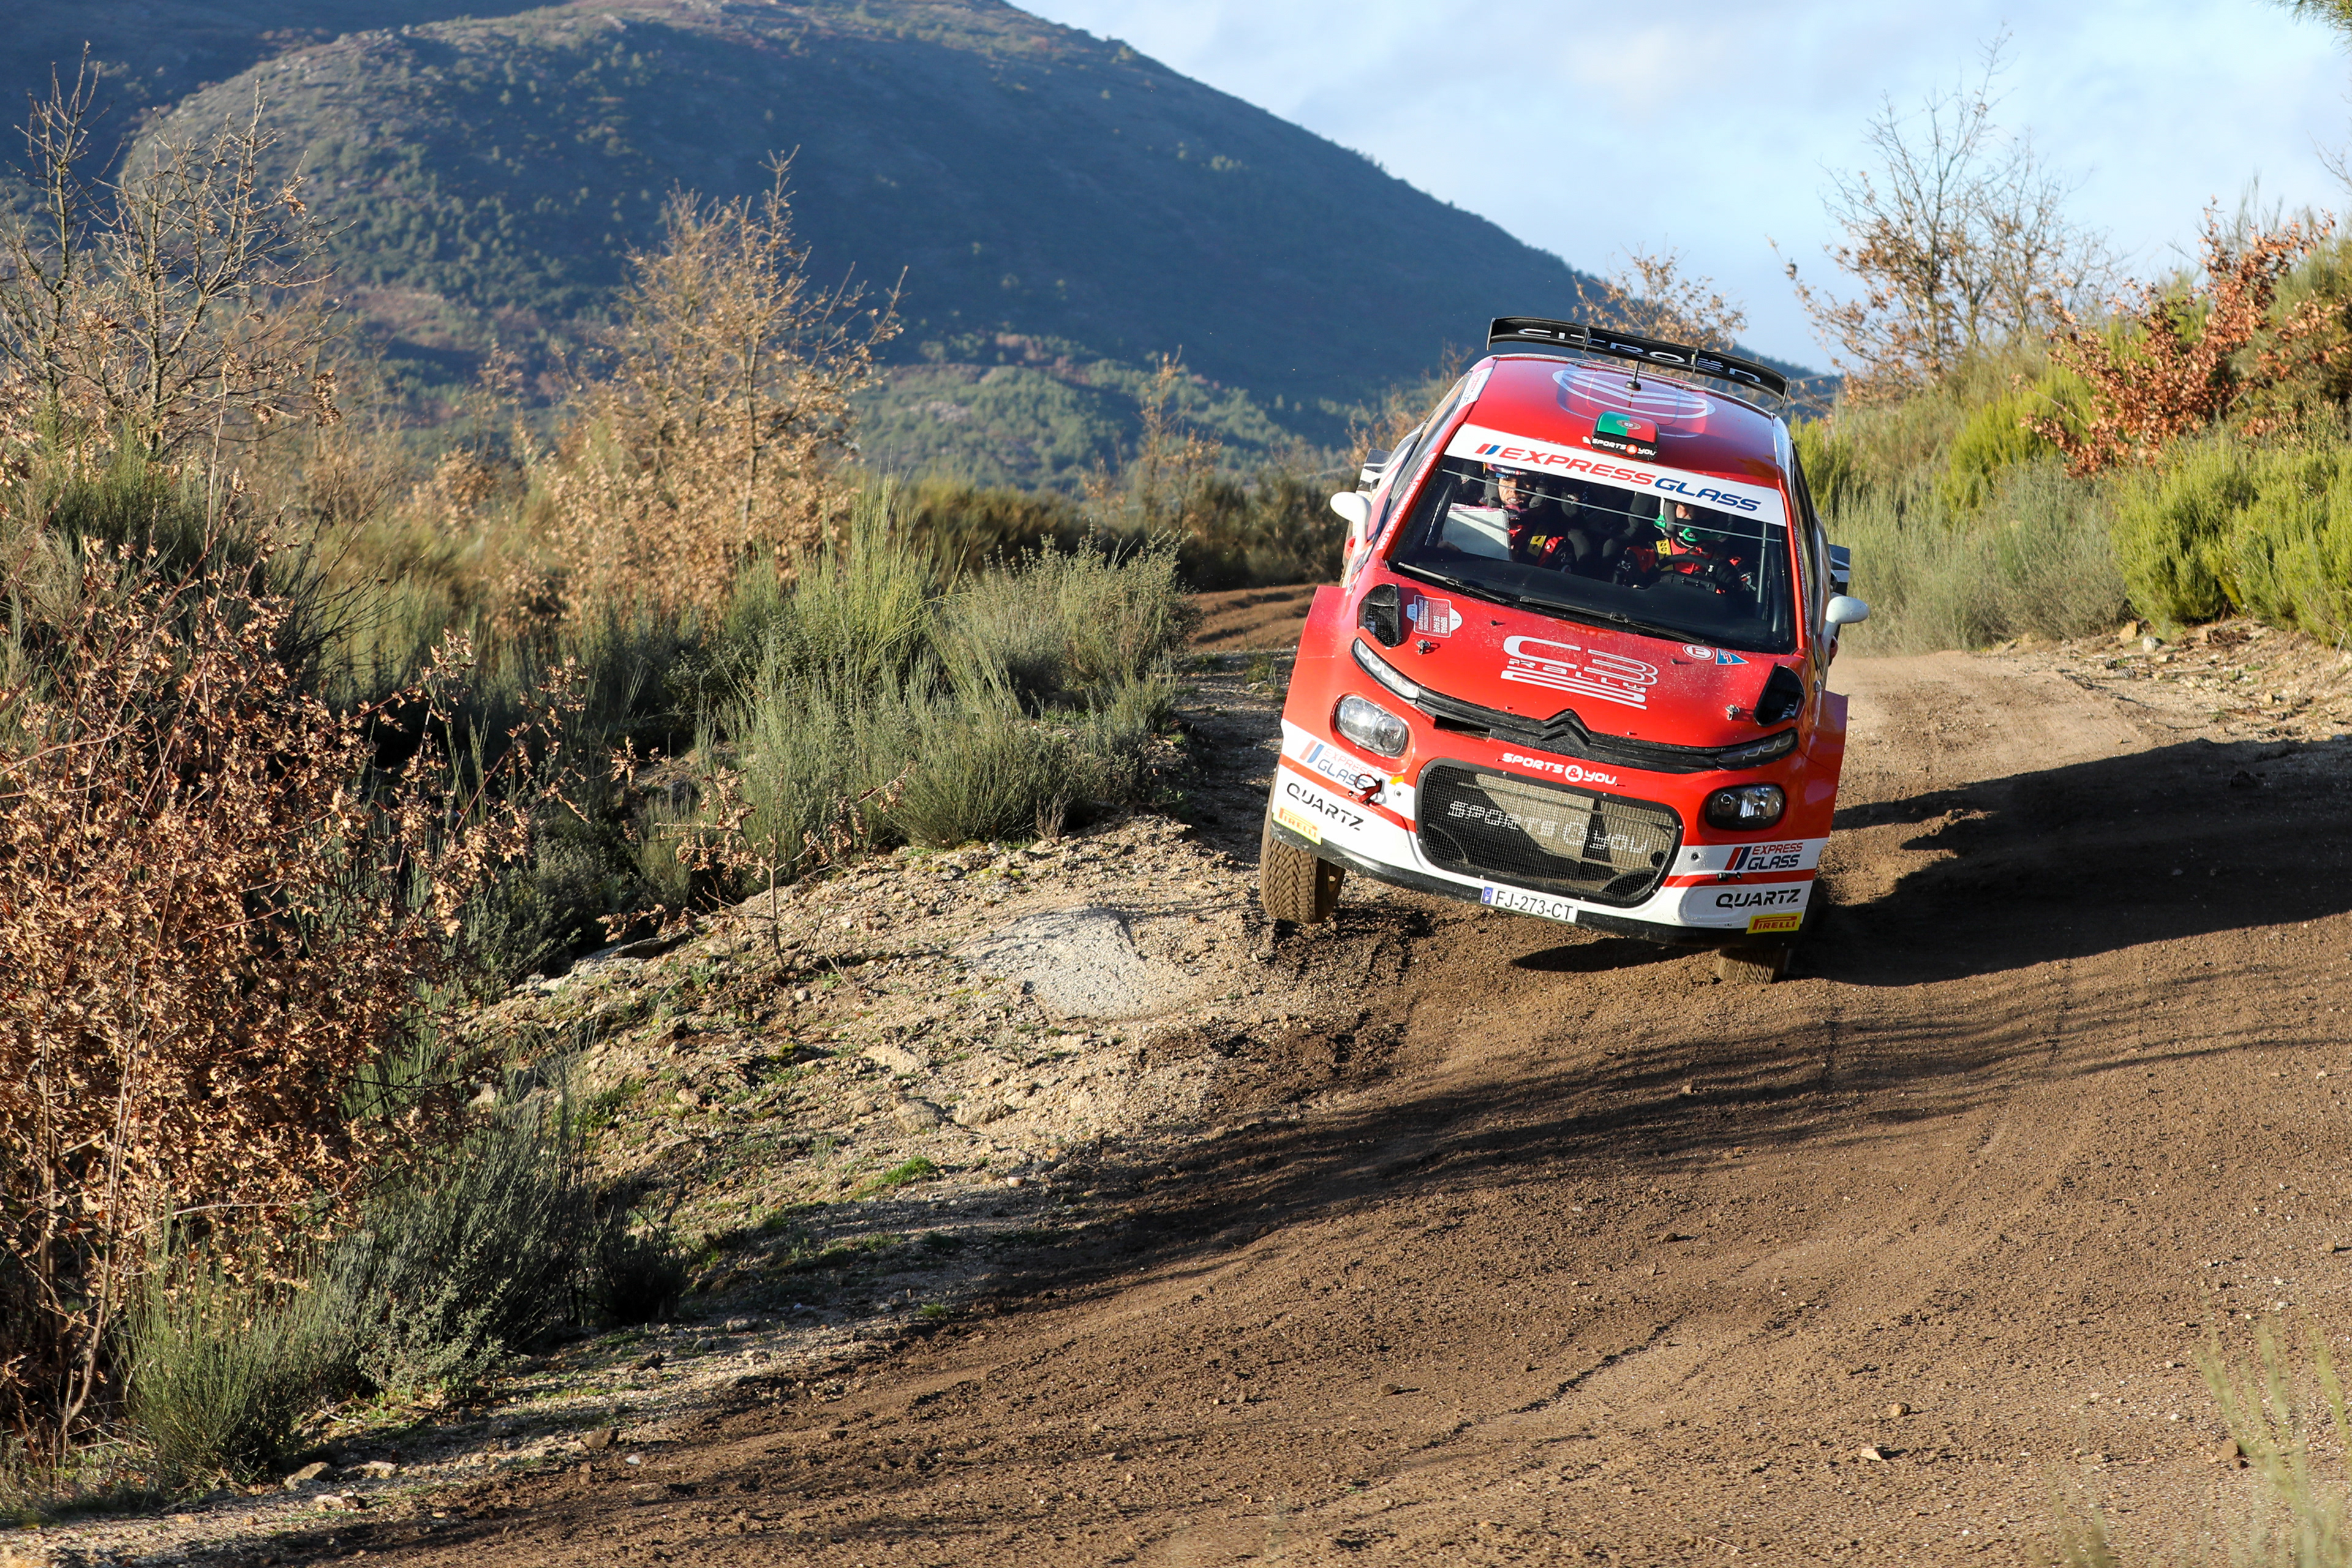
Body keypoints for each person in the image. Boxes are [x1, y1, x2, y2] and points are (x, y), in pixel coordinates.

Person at [1620, 500, 1757, 596]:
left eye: (1704, 509)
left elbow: (1757, 596)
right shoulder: (1642, 556)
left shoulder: (1733, 564)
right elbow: (1616, 593)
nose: (1693, 515)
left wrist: (1737, 586)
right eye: (1685, 505)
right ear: (1670, 510)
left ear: (1719, 517)